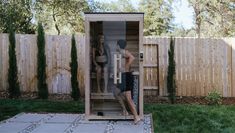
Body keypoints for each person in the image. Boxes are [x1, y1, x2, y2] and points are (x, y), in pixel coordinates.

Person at [116, 40, 141, 124]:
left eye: (116, 45)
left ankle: (136, 117)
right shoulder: (121, 53)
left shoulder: (123, 52)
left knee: (128, 98)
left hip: (126, 76)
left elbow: (132, 57)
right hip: (124, 76)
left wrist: (126, 66)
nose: (116, 47)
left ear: (118, 46)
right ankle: (125, 111)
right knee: (117, 92)